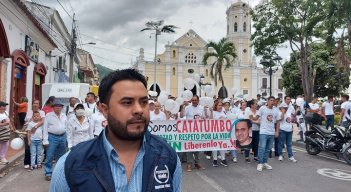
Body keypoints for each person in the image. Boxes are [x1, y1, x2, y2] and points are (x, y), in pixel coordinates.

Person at [50, 68, 181, 191]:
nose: (139, 110)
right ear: (104, 110)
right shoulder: (70, 165)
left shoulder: (168, 157)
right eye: (127, 102)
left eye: (143, 102)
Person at [43, 100, 68, 181]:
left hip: (63, 136)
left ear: (62, 107)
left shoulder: (64, 115)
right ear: (53, 107)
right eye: (56, 106)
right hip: (52, 137)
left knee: (61, 156)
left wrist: (67, 139)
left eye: (59, 106)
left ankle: (59, 172)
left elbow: (67, 127)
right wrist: (45, 140)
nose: (58, 107)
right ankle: (48, 173)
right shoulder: (48, 115)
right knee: (49, 156)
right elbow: (45, 128)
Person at [254, 96, 280, 172]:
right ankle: (260, 163)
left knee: (268, 149)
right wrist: (250, 117)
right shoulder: (262, 108)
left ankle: (265, 162)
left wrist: (277, 131)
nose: (272, 102)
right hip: (263, 131)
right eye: (271, 100)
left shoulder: (276, 110)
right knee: (262, 147)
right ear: (267, 101)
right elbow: (256, 117)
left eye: (273, 101)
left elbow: (278, 122)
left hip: (271, 132)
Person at [181, 95, 206, 172]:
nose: (194, 101)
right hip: (189, 130)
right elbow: (182, 115)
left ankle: (197, 163)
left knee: (197, 147)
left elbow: (204, 118)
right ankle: (189, 164)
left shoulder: (201, 108)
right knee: (189, 147)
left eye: (195, 100)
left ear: (198, 101)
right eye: (193, 100)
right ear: (191, 101)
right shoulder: (188, 108)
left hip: (198, 131)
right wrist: (183, 107)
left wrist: (204, 117)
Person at [23, 100, 45, 169]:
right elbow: (26, 122)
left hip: (37, 133)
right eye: (34, 103)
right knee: (27, 149)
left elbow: (42, 121)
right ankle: (27, 162)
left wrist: (35, 127)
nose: (35, 104)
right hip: (28, 131)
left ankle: (36, 163)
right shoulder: (29, 112)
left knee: (38, 151)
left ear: (39, 105)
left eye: (37, 103)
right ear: (32, 104)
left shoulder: (42, 112)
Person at [210, 100, 228, 167]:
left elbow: (227, 121)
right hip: (215, 132)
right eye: (219, 105)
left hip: (222, 132)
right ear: (216, 106)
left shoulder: (223, 112)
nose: (220, 106)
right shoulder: (214, 112)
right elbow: (211, 120)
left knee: (222, 145)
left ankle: (223, 159)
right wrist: (212, 112)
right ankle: (215, 160)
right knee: (214, 146)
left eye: (221, 105)